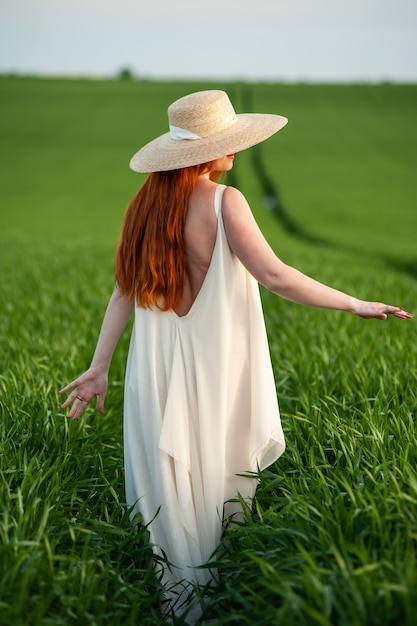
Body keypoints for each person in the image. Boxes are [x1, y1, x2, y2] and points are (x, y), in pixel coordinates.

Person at [59, 90, 412, 621]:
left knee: (172, 490)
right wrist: (354, 303)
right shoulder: (226, 203)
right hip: (214, 367)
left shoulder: (142, 209)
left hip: (153, 372)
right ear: (209, 153)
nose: (236, 151)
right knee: (216, 480)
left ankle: (176, 603)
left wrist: (100, 367)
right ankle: (217, 600)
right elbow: (274, 276)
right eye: (229, 143)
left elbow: (121, 294)